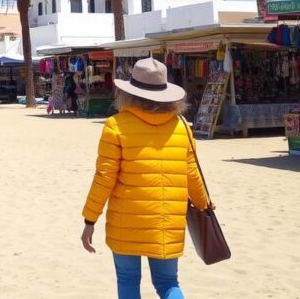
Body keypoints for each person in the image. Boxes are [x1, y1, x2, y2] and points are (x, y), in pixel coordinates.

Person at [80, 58, 211, 299]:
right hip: (166, 221)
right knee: (168, 282)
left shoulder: (115, 126)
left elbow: (104, 178)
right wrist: (205, 207)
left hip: (125, 223)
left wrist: (90, 219)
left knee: (128, 281)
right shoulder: (181, 126)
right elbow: (192, 173)